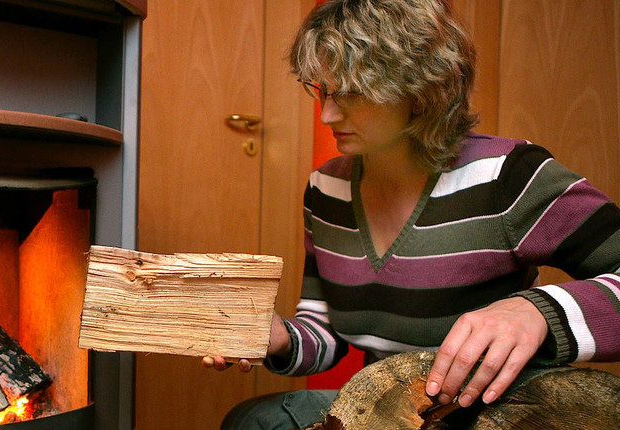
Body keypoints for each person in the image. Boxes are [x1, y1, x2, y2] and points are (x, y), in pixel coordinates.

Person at [202, 0, 620, 428]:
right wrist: (277, 339)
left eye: (351, 93)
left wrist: (537, 313)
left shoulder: (509, 176)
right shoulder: (325, 190)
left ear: (421, 90)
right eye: (322, 89)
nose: (327, 114)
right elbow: (327, 330)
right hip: (391, 410)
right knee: (252, 421)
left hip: (496, 411)